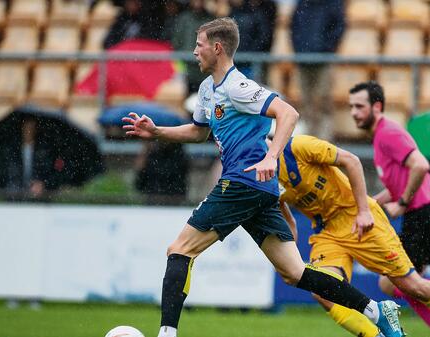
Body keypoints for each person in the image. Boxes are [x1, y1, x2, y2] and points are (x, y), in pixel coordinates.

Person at [123, 18, 405, 337]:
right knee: (295, 272)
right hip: (259, 189)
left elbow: (288, 113)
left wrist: (272, 156)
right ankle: (376, 310)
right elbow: (199, 132)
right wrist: (158, 131)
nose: (194, 51)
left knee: (180, 250)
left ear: (217, 48)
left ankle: (166, 334)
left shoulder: (237, 86)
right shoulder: (206, 89)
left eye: (199, 44)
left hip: (242, 182)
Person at [275, 134, 430, 337]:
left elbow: (352, 161)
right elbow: (289, 221)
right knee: (322, 293)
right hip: (326, 232)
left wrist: (364, 211)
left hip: (357, 217)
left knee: (412, 286)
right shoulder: (262, 176)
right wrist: (288, 251)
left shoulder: (298, 147)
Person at [349, 81, 430, 337]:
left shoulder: (388, 133)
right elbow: (397, 183)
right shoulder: (381, 137)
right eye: (351, 107)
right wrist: (368, 205)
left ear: (377, 107)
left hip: (424, 214)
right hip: (424, 214)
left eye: (359, 106)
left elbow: (420, 165)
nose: (354, 112)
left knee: (394, 283)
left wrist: (402, 203)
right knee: (409, 286)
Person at [291, 0, 344, 139]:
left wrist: (326, 48)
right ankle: (308, 141)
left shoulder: (333, 4)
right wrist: (299, 49)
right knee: (305, 102)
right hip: (303, 59)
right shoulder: (303, 3)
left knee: (323, 101)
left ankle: (324, 141)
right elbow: (294, 26)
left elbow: (339, 27)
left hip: (323, 60)